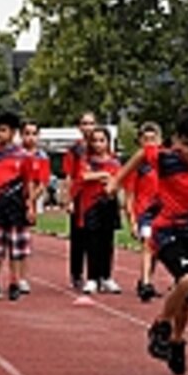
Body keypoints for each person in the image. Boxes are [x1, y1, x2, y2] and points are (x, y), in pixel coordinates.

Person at [110, 103, 188, 375]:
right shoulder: (167, 159)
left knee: (187, 296)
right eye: (187, 144)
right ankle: (161, 324)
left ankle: (178, 341)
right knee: (187, 279)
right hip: (168, 230)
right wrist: (116, 181)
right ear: (176, 141)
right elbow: (143, 154)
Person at [0, 112, 34, 301]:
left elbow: (28, 182)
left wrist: (30, 206)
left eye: (3, 130)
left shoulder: (23, 156)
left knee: (16, 249)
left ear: (13, 132)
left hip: (16, 206)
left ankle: (14, 282)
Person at [76, 126, 123, 294]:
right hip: (90, 205)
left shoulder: (114, 162)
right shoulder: (86, 160)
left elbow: (117, 182)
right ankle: (92, 278)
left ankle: (106, 277)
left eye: (102, 140)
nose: (98, 144)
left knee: (107, 242)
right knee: (92, 242)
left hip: (108, 204)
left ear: (108, 142)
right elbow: (83, 176)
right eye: (94, 140)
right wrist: (104, 175)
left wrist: (109, 181)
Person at [124, 122, 163, 302]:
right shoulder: (137, 166)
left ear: (160, 140)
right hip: (144, 212)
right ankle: (146, 283)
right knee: (148, 244)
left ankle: (145, 280)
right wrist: (132, 220)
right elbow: (129, 195)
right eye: (146, 139)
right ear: (140, 141)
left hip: (163, 212)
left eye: (153, 139)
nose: (149, 143)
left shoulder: (165, 163)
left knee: (156, 249)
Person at [64, 112, 97, 289]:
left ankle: (98, 274)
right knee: (78, 238)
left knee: (97, 239)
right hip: (79, 197)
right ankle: (76, 273)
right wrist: (68, 199)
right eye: (84, 123)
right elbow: (69, 176)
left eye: (91, 123)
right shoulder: (74, 150)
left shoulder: (101, 147)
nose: (88, 127)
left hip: (97, 197)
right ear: (79, 127)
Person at [20, 119, 51, 295]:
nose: (30, 137)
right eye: (27, 133)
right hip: (12, 200)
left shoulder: (42, 157)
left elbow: (43, 183)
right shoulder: (16, 154)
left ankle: (22, 278)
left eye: (34, 134)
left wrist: (30, 201)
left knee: (23, 239)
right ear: (21, 135)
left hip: (29, 199)